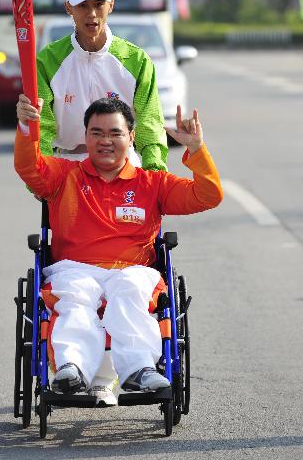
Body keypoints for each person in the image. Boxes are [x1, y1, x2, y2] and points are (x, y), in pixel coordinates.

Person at [15, 95, 223, 400]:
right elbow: (28, 166)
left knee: (130, 289)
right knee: (74, 296)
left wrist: (196, 149)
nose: (105, 141)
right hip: (74, 268)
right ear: (85, 137)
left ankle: (139, 368)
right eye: (96, 133)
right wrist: (25, 125)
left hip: (133, 270)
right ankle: (72, 367)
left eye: (115, 133)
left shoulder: (153, 184)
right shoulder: (64, 176)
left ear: (131, 137)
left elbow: (209, 195)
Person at [37, 0, 168, 171]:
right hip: (68, 170)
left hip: (123, 169)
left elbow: (149, 124)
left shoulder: (136, 61)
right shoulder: (48, 60)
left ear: (111, 6)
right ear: (69, 8)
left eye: (98, 4)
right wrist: (42, 175)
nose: (92, 14)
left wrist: (155, 172)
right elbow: (41, 126)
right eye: (82, 5)